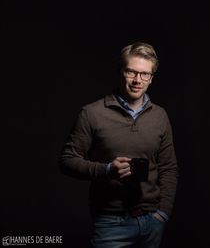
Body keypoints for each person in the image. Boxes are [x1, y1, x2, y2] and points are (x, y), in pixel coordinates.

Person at [59, 42, 178, 248]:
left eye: (145, 74)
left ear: (151, 78)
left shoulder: (160, 116)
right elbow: (66, 160)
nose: (137, 80)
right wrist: (106, 170)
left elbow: (169, 167)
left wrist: (163, 213)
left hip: (152, 221)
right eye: (131, 72)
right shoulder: (92, 113)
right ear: (121, 71)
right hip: (110, 222)